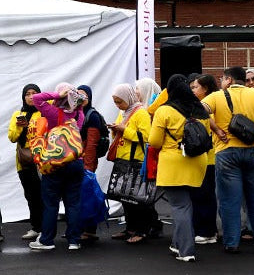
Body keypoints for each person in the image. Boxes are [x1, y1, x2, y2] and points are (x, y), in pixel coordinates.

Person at [202, 65, 254, 253]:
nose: (221, 82)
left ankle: (232, 242)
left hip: (227, 151)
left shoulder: (216, 96)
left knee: (229, 200)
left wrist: (216, 129)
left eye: (223, 79)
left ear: (229, 80)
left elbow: (199, 110)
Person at [148, 74, 211, 263]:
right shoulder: (201, 109)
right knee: (187, 204)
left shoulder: (164, 110)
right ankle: (177, 243)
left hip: (174, 162)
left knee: (180, 206)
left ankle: (186, 250)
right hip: (198, 161)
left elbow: (154, 141)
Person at [28, 83, 86, 251]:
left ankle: (47, 240)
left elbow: (37, 98)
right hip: (75, 162)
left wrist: (57, 94)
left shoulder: (54, 114)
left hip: (55, 162)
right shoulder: (77, 116)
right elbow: (80, 114)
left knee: (51, 203)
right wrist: (77, 103)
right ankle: (74, 240)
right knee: (73, 202)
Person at [107, 83, 154, 244]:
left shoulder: (141, 113)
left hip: (136, 160)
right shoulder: (124, 112)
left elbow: (146, 136)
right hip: (123, 159)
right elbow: (120, 133)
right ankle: (130, 228)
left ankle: (142, 230)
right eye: (115, 102)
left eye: (119, 101)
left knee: (137, 198)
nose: (117, 105)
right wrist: (115, 129)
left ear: (128, 97)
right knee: (125, 197)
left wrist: (123, 130)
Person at [8, 84, 44, 241]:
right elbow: (12, 137)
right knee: (30, 195)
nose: (30, 97)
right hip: (23, 161)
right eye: (27, 94)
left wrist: (29, 127)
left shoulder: (44, 113)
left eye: (34, 93)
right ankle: (35, 227)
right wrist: (19, 127)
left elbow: (46, 134)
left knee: (42, 194)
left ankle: (45, 228)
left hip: (41, 160)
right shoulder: (18, 114)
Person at [190, 74, 221, 244]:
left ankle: (207, 231)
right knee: (203, 195)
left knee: (204, 195)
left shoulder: (208, 105)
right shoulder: (205, 104)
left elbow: (208, 129)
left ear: (205, 88)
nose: (192, 90)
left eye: (195, 87)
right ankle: (208, 230)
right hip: (207, 157)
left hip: (208, 158)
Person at [77, 84, 106, 242]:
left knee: (86, 195)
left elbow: (92, 145)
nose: (81, 99)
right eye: (78, 95)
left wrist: (87, 167)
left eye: (84, 96)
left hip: (86, 162)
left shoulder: (92, 116)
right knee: (77, 195)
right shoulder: (74, 114)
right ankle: (79, 228)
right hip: (75, 161)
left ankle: (89, 230)